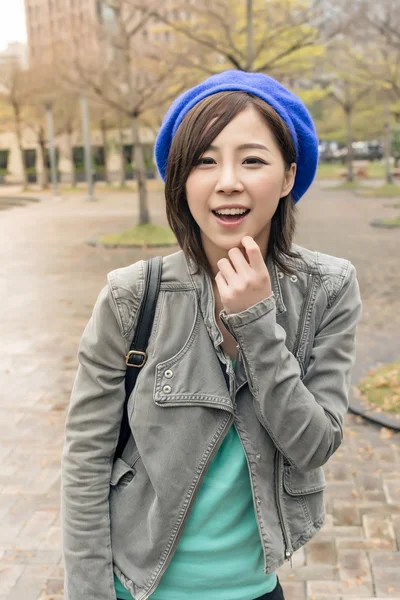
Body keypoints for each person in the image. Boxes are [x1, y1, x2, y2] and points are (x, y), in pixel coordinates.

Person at [61, 70, 362, 600]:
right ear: (181, 179)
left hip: (254, 590)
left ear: (289, 176)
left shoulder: (329, 289)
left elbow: (314, 445)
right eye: (204, 160)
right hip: (137, 588)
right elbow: (86, 460)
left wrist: (256, 326)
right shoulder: (132, 295)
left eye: (252, 159)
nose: (227, 181)